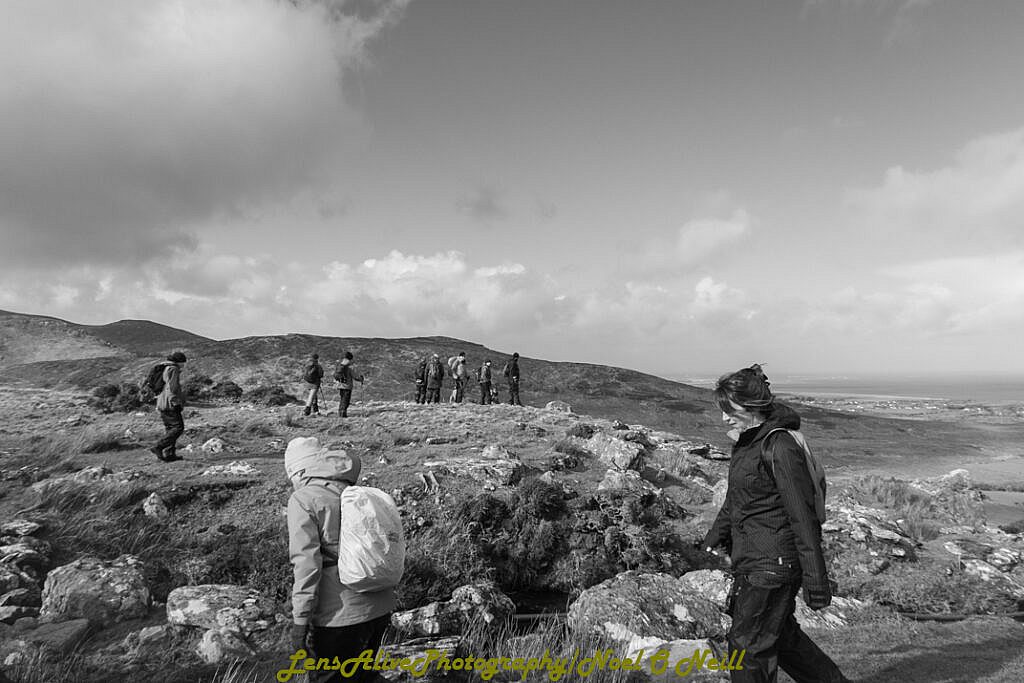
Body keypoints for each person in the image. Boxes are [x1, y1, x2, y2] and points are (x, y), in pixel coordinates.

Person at [703, 364, 850, 683]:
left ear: (752, 405)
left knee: (747, 647)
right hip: (752, 558)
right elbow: (737, 499)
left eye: (730, 410)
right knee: (781, 638)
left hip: (774, 564)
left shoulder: (779, 446)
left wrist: (816, 579)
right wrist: (713, 537)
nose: (724, 418)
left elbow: (802, 516)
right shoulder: (747, 443)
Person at [285, 437, 394, 683]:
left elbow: (306, 565)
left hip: (339, 615)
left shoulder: (303, 499)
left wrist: (300, 620)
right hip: (380, 607)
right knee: (365, 678)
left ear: (299, 471)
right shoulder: (357, 493)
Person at [150, 351, 187, 462]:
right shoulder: (173, 369)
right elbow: (172, 388)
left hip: (162, 402)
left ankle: (170, 454)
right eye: (183, 362)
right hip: (169, 403)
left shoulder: (165, 367)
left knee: (170, 429)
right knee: (178, 427)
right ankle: (158, 446)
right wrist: (175, 402)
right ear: (179, 361)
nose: (184, 365)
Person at [332, 352, 364, 418]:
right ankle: (343, 414)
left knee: (342, 399)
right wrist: (360, 378)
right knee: (346, 401)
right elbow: (355, 377)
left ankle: (340, 412)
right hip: (347, 386)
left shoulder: (340, 365)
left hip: (340, 385)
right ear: (351, 359)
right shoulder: (349, 367)